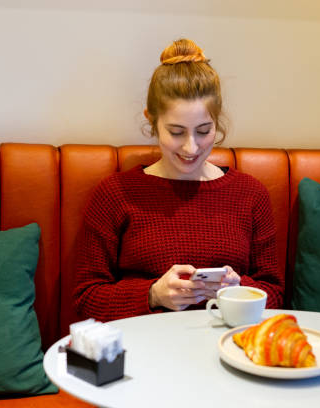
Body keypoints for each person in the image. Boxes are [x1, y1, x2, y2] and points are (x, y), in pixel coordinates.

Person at [73, 38, 283, 322]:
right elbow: (86, 299)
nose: (191, 147)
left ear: (217, 122)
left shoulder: (250, 194)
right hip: (144, 349)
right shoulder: (116, 193)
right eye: (176, 132)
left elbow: (275, 293)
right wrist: (153, 294)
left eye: (203, 130)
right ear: (152, 121)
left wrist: (239, 291)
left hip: (227, 347)